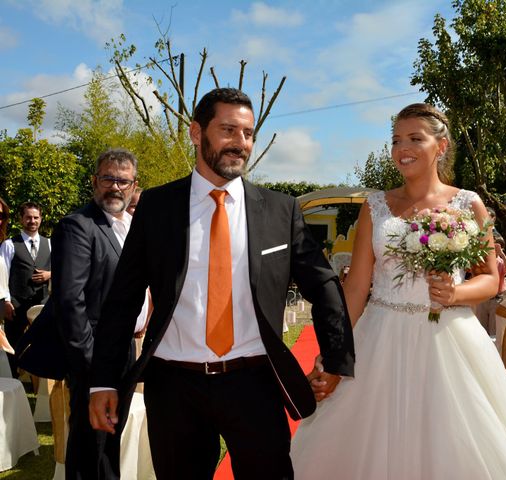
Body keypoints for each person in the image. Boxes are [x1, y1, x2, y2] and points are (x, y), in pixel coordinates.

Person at [88, 88, 355, 480]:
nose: (241, 143)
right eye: (228, 130)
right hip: (174, 386)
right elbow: (122, 300)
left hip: (254, 383)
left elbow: (323, 285)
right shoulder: (157, 208)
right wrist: (103, 382)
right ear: (197, 133)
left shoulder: (280, 210)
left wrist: (335, 358)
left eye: (248, 133)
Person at [290, 103, 506, 479]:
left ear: (441, 146)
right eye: (396, 139)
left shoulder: (468, 203)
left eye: (415, 138)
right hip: (380, 334)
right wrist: (333, 352)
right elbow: (356, 287)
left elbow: (491, 278)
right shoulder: (375, 206)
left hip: (447, 335)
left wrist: (455, 293)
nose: (402, 147)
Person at [52, 148, 139, 479]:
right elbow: (69, 301)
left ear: (134, 185)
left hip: (125, 352)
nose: (115, 187)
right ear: (94, 181)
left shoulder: (132, 225)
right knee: (91, 448)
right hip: (95, 359)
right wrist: (93, 369)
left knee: (109, 442)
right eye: (108, 178)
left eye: (122, 180)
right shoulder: (78, 226)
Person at [0, 201, 51, 377]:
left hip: (42, 304)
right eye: (28, 217)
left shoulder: (50, 244)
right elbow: (2, 274)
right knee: (13, 345)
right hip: (16, 304)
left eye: (36, 217)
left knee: (43, 344)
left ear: (41, 219)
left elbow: (63, 268)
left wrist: (49, 274)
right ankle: (12, 380)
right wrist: (5, 301)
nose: (32, 221)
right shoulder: (9, 244)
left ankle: (40, 382)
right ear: (21, 219)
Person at [476, 236, 506, 335]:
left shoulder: (501, 262)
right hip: (483, 299)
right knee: (480, 330)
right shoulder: (483, 260)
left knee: (494, 331)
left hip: (496, 299)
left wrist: (501, 254)